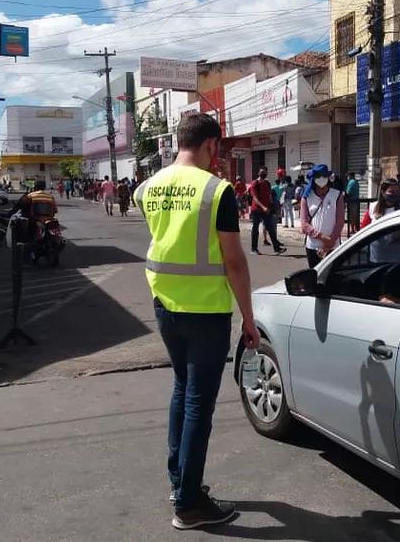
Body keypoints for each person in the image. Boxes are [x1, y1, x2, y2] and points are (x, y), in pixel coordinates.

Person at [133, 113, 256, 531]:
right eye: (217, 148)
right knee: (198, 404)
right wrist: (249, 319)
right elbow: (234, 261)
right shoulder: (216, 191)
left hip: (165, 307)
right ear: (210, 145)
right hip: (205, 312)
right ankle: (188, 504)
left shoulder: (148, 187)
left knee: (182, 391)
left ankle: (179, 482)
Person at [300, 164, 345, 268]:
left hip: (333, 246)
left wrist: (329, 243)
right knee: (315, 275)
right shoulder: (306, 197)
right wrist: (321, 237)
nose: (321, 179)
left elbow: (340, 222)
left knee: (332, 276)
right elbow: (304, 224)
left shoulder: (337, 195)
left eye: (324, 176)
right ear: (313, 179)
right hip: (313, 246)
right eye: (318, 176)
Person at [249, 167, 286, 255]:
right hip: (256, 209)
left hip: (266, 210)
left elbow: (269, 196)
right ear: (258, 173)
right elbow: (255, 198)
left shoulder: (267, 183)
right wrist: (263, 207)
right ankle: (254, 249)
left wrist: (271, 206)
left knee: (271, 228)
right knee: (255, 229)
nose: (264, 174)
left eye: (265, 172)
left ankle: (276, 248)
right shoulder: (255, 183)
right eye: (262, 172)